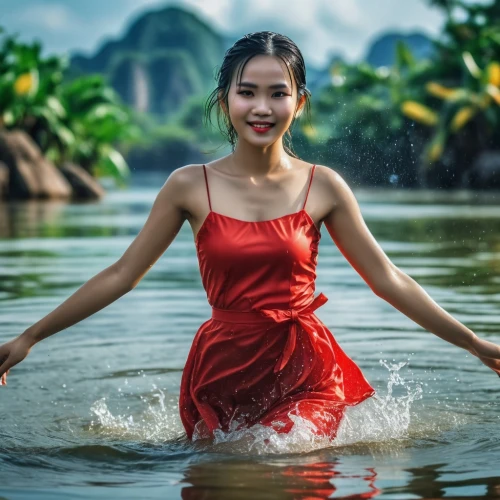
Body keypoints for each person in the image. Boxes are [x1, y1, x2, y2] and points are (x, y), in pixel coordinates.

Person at [1, 32, 500, 441]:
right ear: (225, 100)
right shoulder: (188, 186)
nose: (262, 107)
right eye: (247, 92)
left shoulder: (323, 186)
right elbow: (122, 274)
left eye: (278, 93)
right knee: (227, 474)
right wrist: (30, 336)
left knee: (291, 460)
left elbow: (387, 279)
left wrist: (473, 342)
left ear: (299, 103)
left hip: (304, 366)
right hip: (224, 369)